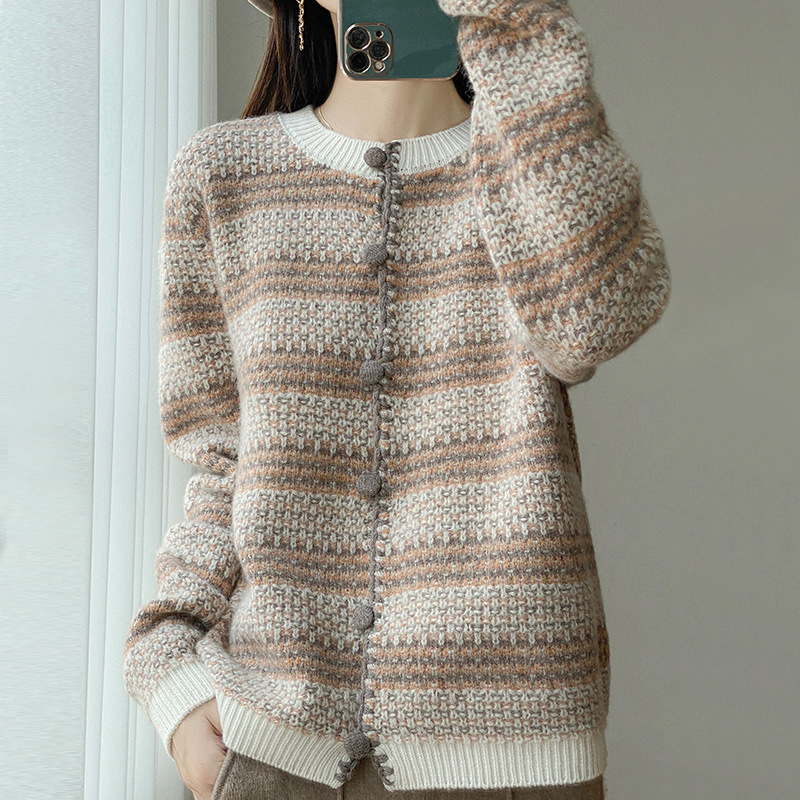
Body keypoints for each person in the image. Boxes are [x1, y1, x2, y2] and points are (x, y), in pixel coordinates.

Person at [122, 0, 671, 798]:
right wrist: (168, 666)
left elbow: (596, 322)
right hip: (269, 747)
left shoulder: (533, 168)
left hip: (515, 756)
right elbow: (222, 461)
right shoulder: (220, 175)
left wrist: (519, 26)